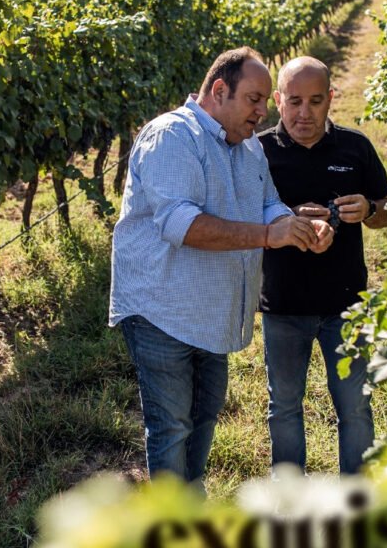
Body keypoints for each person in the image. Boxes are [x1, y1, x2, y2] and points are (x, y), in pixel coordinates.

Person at [109, 47, 334, 487]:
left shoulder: (248, 147)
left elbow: (267, 203)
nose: (262, 111)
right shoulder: (172, 137)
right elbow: (183, 225)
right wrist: (269, 235)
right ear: (219, 90)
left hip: (211, 311)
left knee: (203, 420)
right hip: (162, 310)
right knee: (172, 428)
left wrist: (297, 226)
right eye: (254, 98)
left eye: (266, 101)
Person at [254, 56, 387, 475]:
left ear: (331, 99)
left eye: (316, 101)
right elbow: (240, 215)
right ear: (278, 100)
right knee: (284, 408)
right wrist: (284, 219)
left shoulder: (355, 147)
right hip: (283, 303)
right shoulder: (257, 152)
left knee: (355, 407)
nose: (304, 113)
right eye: (294, 101)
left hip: (346, 302)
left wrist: (368, 208)